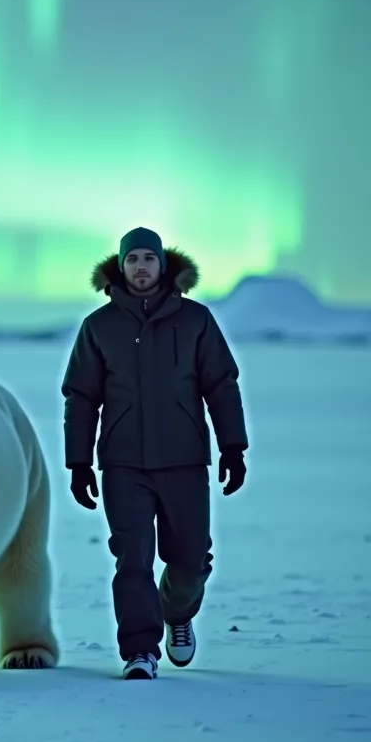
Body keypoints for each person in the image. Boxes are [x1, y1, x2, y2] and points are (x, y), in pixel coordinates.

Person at [61, 226, 249, 680]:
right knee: (133, 559)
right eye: (132, 260)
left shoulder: (196, 321)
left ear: (162, 265)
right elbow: (81, 397)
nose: (140, 267)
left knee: (190, 562)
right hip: (123, 465)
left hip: (184, 461)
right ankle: (140, 651)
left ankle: (176, 614)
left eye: (148, 258)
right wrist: (79, 462)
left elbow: (220, 385)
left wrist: (233, 448)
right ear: (120, 267)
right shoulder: (99, 327)